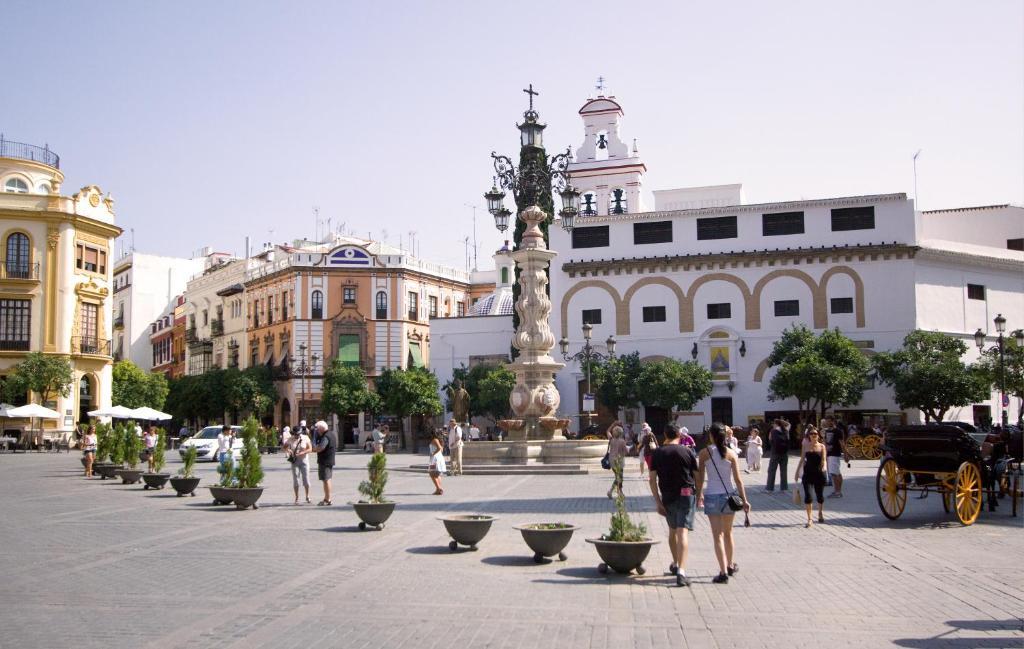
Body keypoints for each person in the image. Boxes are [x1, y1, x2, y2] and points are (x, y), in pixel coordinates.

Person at [696, 423, 751, 584]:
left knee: (717, 535)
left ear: (711, 436)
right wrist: (745, 500)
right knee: (728, 533)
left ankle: (722, 572)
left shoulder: (704, 453)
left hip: (712, 495)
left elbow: (700, 478)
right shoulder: (732, 454)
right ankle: (729, 565)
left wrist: (699, 495)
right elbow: (738, 480)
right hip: (729, 496)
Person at [648, 424, 699, 587]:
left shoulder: (657, 453)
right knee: (682, 531)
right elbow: (697, 476)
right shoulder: (687, 451)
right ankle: (682, 572)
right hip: (686, 493)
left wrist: (657, 501)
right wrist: (700, 494)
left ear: (665, 434)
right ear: (679, 435)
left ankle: (676, 563)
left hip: (668, 496)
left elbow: (652, 479)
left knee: (672, 532)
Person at [794, 426, 827, 527]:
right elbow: (802, 459)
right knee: (808, 496)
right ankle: (810, 519)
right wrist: (796, 472)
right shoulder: (806, 446)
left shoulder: (822, 446)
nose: (813, 435)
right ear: (809, 436)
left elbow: (824, 459)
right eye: (811, 434)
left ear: (818, 436)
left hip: (819, 473)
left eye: (815, 434)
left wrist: (824, 468)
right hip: (807, 473)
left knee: (819, 495)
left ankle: (820, 513)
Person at [311, 420, 337, 505]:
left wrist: (314, 449)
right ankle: (327, 498)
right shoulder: (331, 434)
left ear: (321, 429)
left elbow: (321, 448)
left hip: (325, 461)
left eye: (318, 429)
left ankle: (327, 499)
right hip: (329, 460)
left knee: (326, 480)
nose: (317, 431)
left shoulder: (326, 436)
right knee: (327, 479)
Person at [284, 426, 312, 504]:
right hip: (295, 461)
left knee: (306, 479)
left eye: (298, 434)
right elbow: (284, 447)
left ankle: (307, 496)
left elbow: (310, 449)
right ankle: (297, 497)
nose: (297, 436)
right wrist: (289, 451)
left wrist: (302, 452)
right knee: (296, 479)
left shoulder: (305, 438)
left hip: (304, 461)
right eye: (295, 434)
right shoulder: (291, 438)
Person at [822, 416, 848, 498]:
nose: (827, 423)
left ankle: (837, 492)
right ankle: (838, 491)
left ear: (833, 421)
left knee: (834, 474)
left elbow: (842, 443)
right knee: (837, 473)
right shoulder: (826, 431)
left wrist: (845, 454)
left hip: (835, 454)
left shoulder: (838, 431)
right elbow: (825, 443)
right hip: (829, 454)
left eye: (828, 421)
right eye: (826, 421)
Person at [765, 418, 791, 492]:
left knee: (772, 470)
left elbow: (770, 440)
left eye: (774, 423)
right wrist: (782, 421)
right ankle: (784, 488)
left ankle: (769, 488)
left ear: (776, 424)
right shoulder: (786, 430)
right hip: (784, 453)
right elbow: (789, 424)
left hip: (775, 453)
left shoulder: (773, 431)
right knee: (783, 471)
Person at [606, 423, 629, 499]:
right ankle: (611, 491)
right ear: (621, 433)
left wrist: (613, 424)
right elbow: (626, 451)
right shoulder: (622, 441)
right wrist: (628, 448)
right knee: (619, 478)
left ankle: (620, 492)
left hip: (611, 460)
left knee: (618, 477)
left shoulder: (611, 439)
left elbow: (607, 431)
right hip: (619, 461)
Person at [428, 430, 446, 495]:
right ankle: (439, 488)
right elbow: (441, 449)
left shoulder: (435, 440)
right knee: (437, 474)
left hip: (435, 458)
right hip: (439, 457)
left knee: (432, 473)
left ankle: (438, 488)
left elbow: (439, 448)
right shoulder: (440, 440)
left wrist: (433, 454)